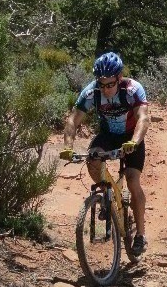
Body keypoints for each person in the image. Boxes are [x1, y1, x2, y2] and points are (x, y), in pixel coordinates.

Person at [60, 52, 150, 256]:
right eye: (102, 84)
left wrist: (134, 142)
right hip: (108, 135)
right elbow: (73, 120)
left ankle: (140, 235)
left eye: (110, 84)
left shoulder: (133, 90)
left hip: (131, 136)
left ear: (119, 79)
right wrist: (68, 146)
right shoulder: (92, 92)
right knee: (93, 159)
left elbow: (143, 119)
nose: (106, 89)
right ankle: (106, 195)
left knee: (132, 179)